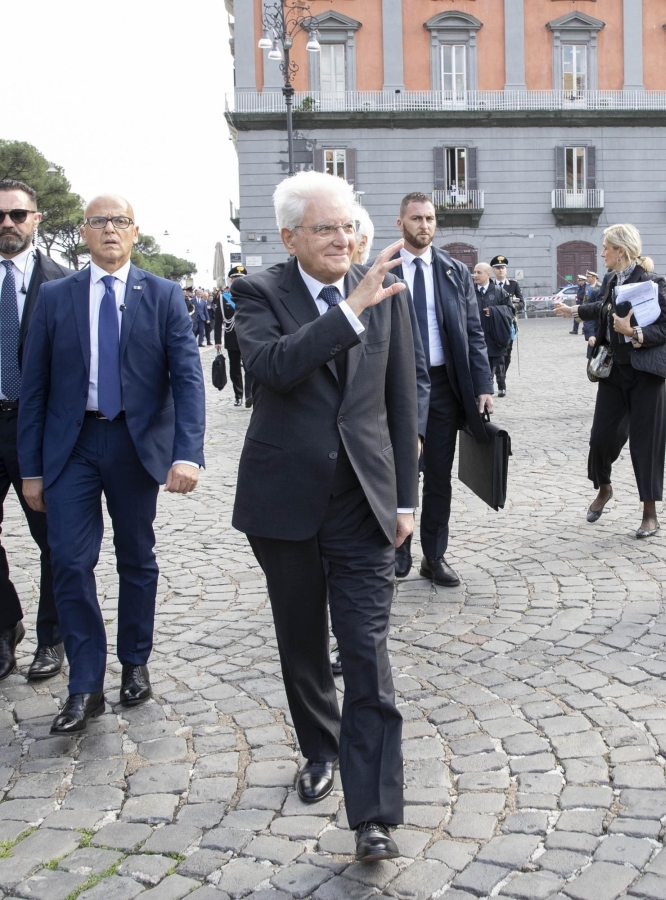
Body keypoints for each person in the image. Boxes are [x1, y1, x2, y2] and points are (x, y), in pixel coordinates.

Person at [231, 171, 420, 863]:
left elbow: (402, 397)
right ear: (289, 237)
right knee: (303, 641)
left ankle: (374, 814)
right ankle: (319, 747)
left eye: (349, 227)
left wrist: (405, 498)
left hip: (363, 502)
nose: (344, 240)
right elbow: (274, 367)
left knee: (367, 654)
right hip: (283, 500)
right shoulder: (257, 292)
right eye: (326, 229)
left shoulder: (385, 288)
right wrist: (348, 311)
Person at [18, 194, 205, 734]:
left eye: (118, 221)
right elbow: (35, 390)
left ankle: (135, 663)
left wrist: (187, 453)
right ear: (83, 232)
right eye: (98, 221)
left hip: (133, 443)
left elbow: (187, 379)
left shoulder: (165, 295)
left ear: (134, 231)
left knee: (136, 557)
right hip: (71, 446)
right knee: (70, 563)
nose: (109, 230)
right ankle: (84, 685)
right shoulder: (55, 297)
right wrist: (32, 469)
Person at [393, 194, 492, 586]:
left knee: (438, 475)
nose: (424, 225)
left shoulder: (454, 272)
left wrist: (483, 384)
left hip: (442, 386)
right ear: (401, 222)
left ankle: (434, 556)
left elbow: (473, 333)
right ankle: (398, 550)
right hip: (396, 388)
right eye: (416, 218)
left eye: (430, 218)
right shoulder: (381, 269)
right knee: (400, 473)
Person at [554, 224, 666, 538]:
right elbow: (603, 307)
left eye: (606, 247)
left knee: (645, 444)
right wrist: (575, 310)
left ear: (621, 250)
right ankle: (604, 488)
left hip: (646, 373)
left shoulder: (652, 282)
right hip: (613, 372)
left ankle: (650, 513)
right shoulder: (610, 280)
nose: (602, 252)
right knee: (600, 438)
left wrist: (634, 333)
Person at [0, 179, 68, 681]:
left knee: (53, 538)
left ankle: (52, 639)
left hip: (38, 426)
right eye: (1, 216)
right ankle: (5, 628)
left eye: (18, 215)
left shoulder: (62, 283)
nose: (8, 224)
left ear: (36, 219)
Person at [472, 262, 514, 398]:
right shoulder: (469, 290)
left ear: (488, 274)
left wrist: (494, 311)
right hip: (474, 335)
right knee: (478, 366)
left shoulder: (499, 291)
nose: (475, 275)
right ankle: (482, 391)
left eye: (479, 272)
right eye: (474, 272)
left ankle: (500, 386)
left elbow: (510, 310)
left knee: (497, 363)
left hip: (493, 336)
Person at [216, 266, 253, 407]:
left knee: (250, 367)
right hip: (232, 338)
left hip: (249, 337)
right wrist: (218, 340)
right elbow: (218, 320)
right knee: (234, 368)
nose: (237, 281)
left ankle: (249, 395)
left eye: (240, 278)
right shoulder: (223, 298)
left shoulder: (251, 295)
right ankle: (238, 395)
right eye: (235, 278)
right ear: (231, 280)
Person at [492, 256, 521, 371]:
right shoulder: (490, 285)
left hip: (508, 324)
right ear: (494, 270)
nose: (500, 270)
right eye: (498, 268)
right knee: (492, 352)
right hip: (492, 323)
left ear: (506, 270)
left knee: (507, 352)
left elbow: (521, 302)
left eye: (503, 267)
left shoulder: (513, 284)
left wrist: (511, 307)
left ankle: (503, 376)